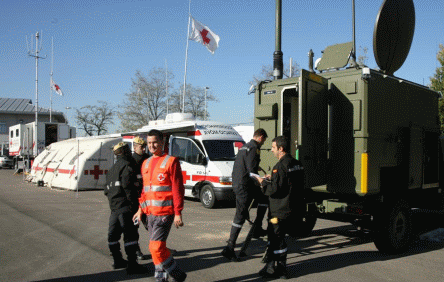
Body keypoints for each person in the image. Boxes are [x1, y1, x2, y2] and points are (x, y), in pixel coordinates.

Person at [133, 129, 187, 282]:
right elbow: (145, 191)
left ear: (162, 142)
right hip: (150, 214)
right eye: (149, 143)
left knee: (156, 248)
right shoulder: (145, 163)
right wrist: (140, 210)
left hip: (165, 214)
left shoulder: (171, 161)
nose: (152, 145)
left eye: (155, 142)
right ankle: (162, 279)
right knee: (155, 248)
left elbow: (178, 189)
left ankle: (176, 273)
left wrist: (178, 213)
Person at [254, 136, 304, 279]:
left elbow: (274, 190)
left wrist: (262, 183)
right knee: (276, 237)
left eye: (273, 148)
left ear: (281, 149)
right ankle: (270, 266)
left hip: (278, 212)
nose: (271, 150)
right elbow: (291, 184)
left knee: (276, 237)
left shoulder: (279, 167)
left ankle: (280, 269)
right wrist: (273, 179)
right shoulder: (297, 164)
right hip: (292, 208)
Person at [221, 128, 268, 262]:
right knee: (240, 216)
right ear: (260, 137)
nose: (263, 143)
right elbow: (251, 171)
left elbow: (247, 164)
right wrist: (261, 180)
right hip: (244, 185)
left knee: (263, 198)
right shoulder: (254, 147)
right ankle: (229, 248)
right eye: (263, 141)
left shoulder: (245, 147)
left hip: (240, 183)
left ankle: (257, 228)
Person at [104, 142, 146, 275]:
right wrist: (133, 205)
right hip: (126, 207)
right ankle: (132, 265)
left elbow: (106, 190)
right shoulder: (127, 165)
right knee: (130, 236)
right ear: (125, 152)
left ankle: (117, 261)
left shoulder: (111, 169)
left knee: (113, 236)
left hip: (114, 208)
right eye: (128, 149)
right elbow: (128, 187)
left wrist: (113, 202)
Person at [132, 136, 149, 260]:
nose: (143, 149)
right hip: (134, 200)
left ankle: (160, 247)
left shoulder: (148, 159)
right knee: (134, 227)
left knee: (152, 225)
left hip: (148, 199)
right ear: (134, 147)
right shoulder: (130, 161)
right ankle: (136, 250)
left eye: (144, 147)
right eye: (141, 147)